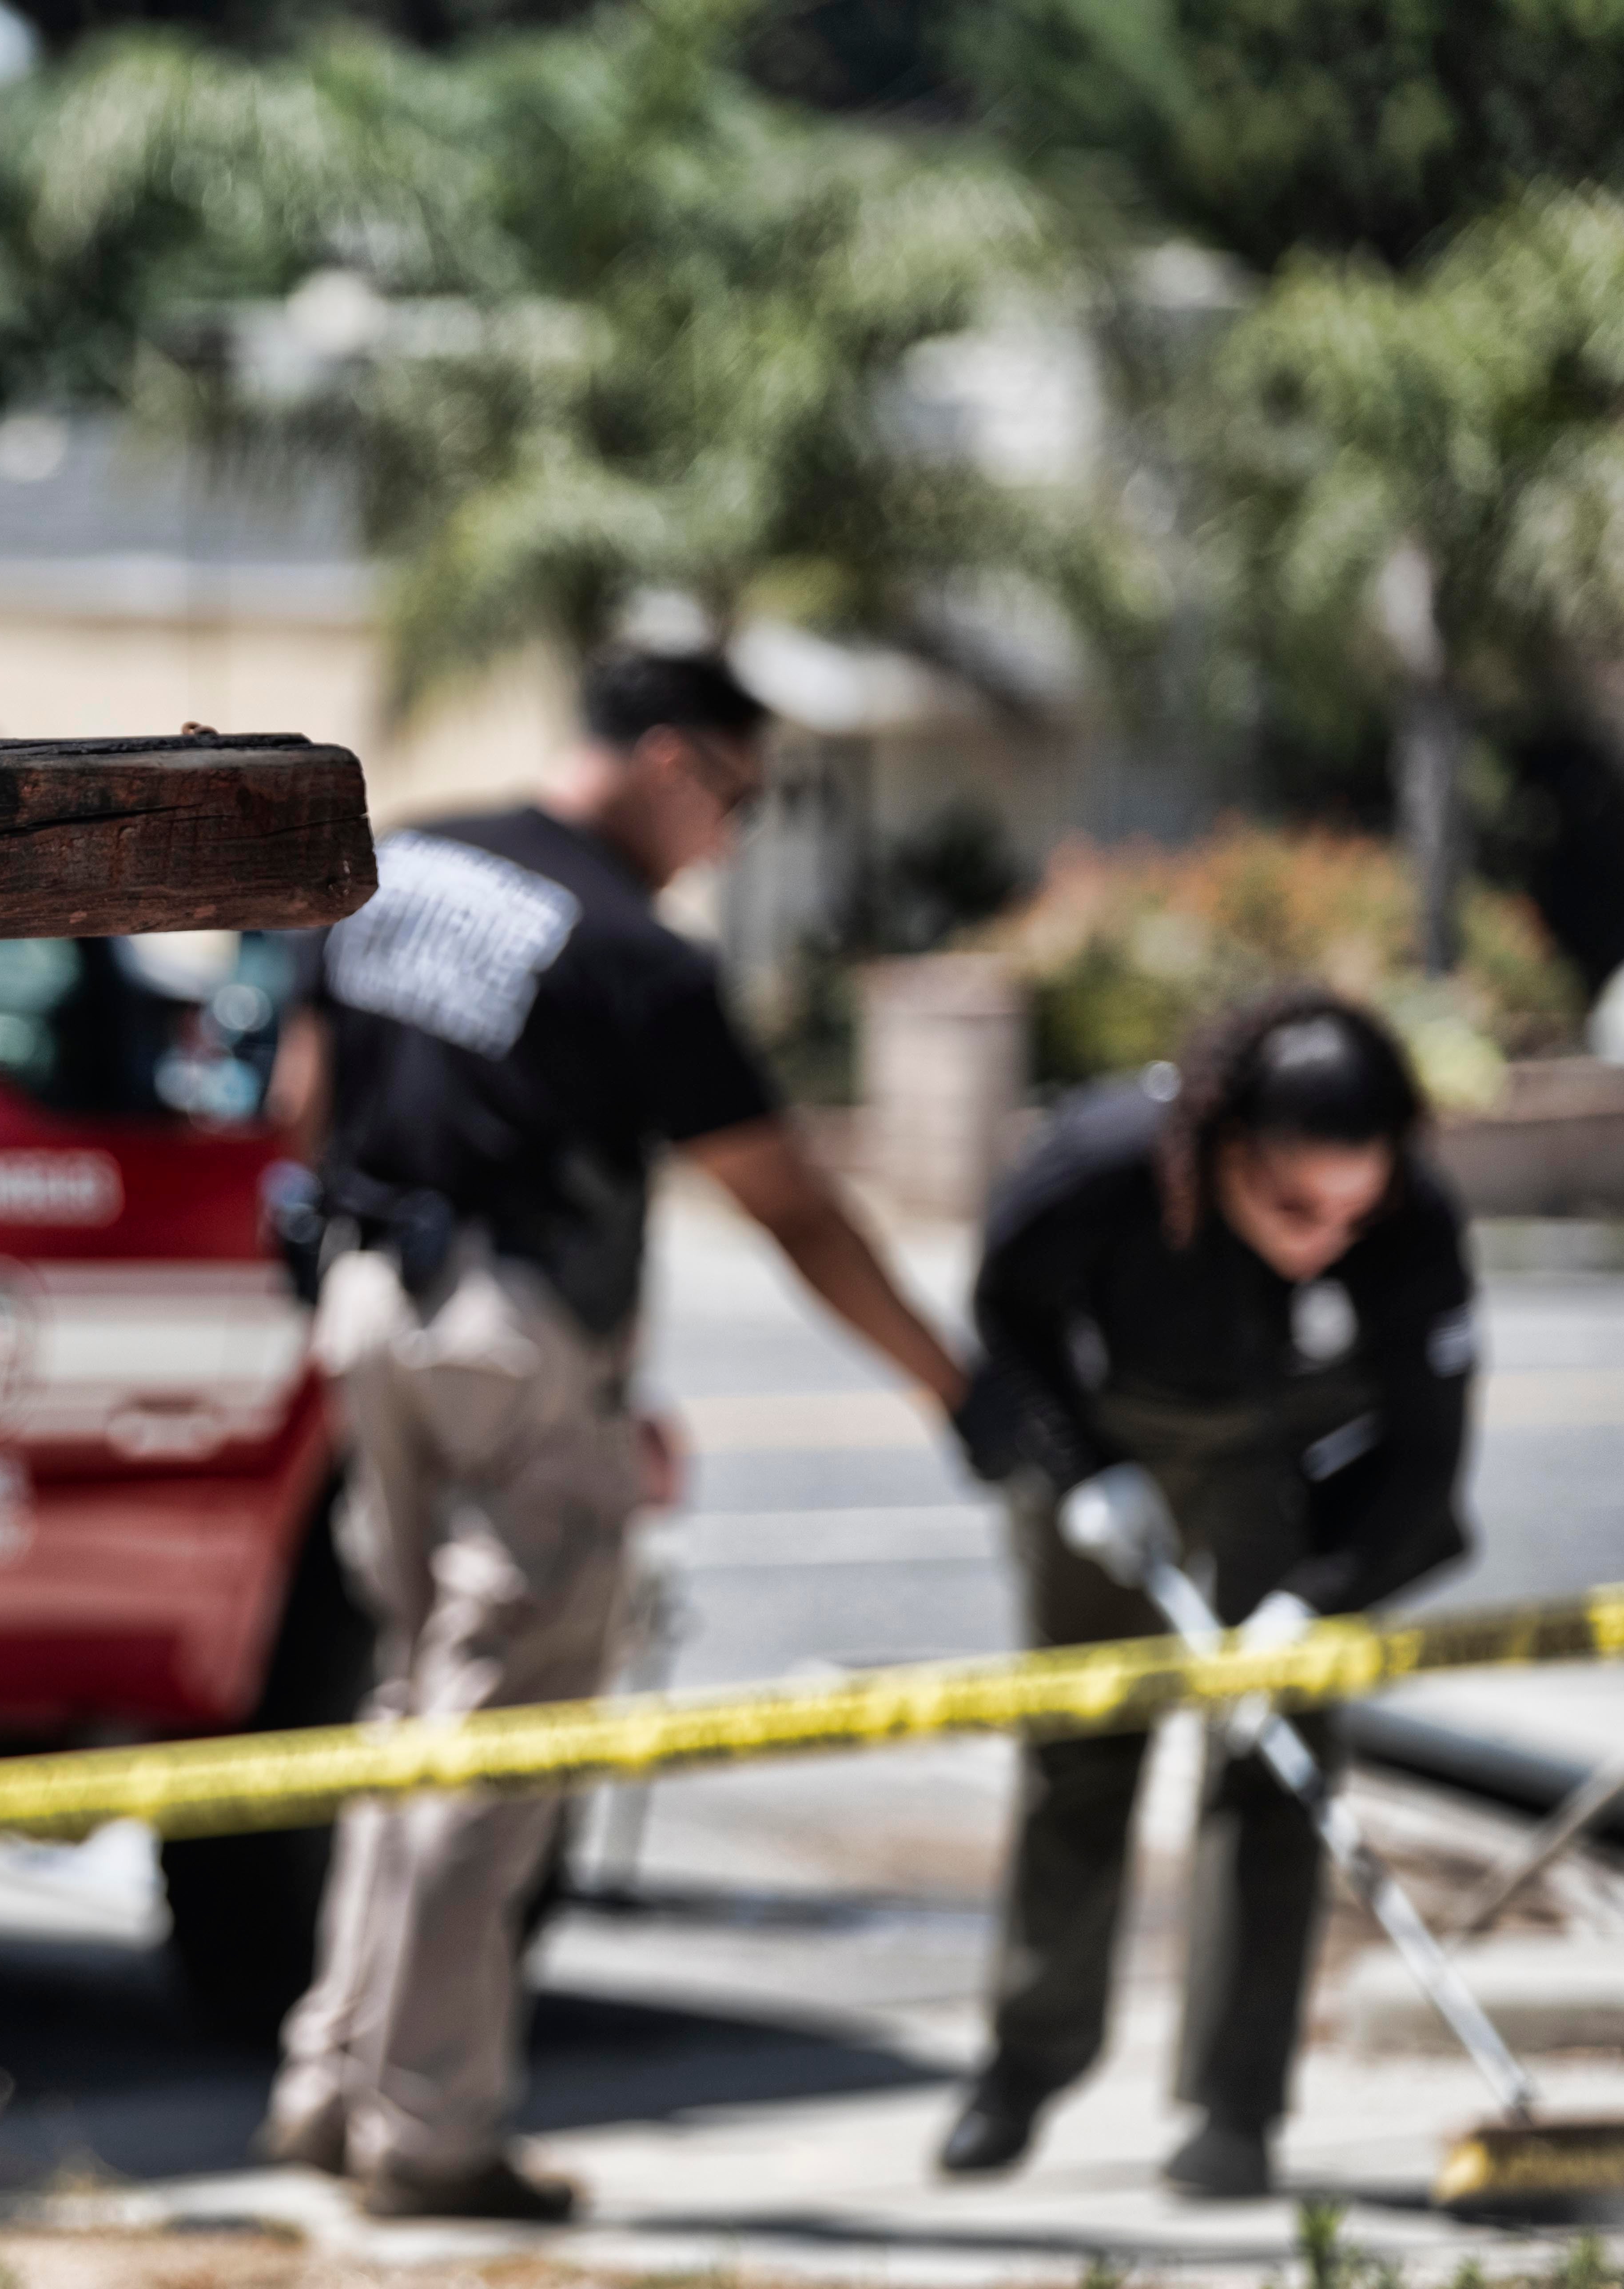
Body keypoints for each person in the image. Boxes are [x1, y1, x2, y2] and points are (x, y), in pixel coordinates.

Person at [259, 646, 969, 2222]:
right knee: (501, 1742)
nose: (731, 837)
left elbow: (305, 1091)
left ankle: (334, 2078)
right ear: (666, 759)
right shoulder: (638, 954)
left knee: (408, 1704)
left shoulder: (400, 859)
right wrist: (953, 1384)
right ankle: (429, 2131)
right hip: (519, 1327)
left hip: (369, 1301)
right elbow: (793, 1206)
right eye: (738, 796)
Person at [937, 992, 1473, 2199]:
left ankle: (1234, 2109)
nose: (1324, 1239)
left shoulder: (1413, 1223)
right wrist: (1080, 1468)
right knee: (1080, 1743)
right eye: (1294, 1207)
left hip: (1274, 1458)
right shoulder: (1102, 1162)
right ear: (1224, 1149)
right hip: (1112, 1438)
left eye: (1355, 1210)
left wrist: (1319, 1604)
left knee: (1275, 1754)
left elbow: (1431, 1466)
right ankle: (1029, 2060)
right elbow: (1005, 1318)